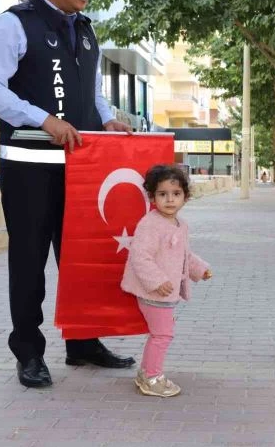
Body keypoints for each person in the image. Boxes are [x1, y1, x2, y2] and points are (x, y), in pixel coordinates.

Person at [0, 0, 135, 389]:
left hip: (81, 167)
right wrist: (43, 120)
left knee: (81, 258)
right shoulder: (13, 25)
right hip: (28, 166)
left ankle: (83, 344)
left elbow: (93, 93)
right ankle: (28, 351)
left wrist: (109, 119)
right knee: (29, 260)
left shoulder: (86, 29)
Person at [120, 165, 212, 397]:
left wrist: (200, 269)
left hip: (166, 292)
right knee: (162, 335)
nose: (170, 200)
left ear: (185, 197)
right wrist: (157, 281)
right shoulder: (150, 224)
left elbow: (184, 255)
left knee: (160, 333)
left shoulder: (180, 224)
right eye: (162, 194)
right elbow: (140, 257)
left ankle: (146, 373)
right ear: (152, 197)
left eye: (176, 194)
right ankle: (152, 377)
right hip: (154, 292)